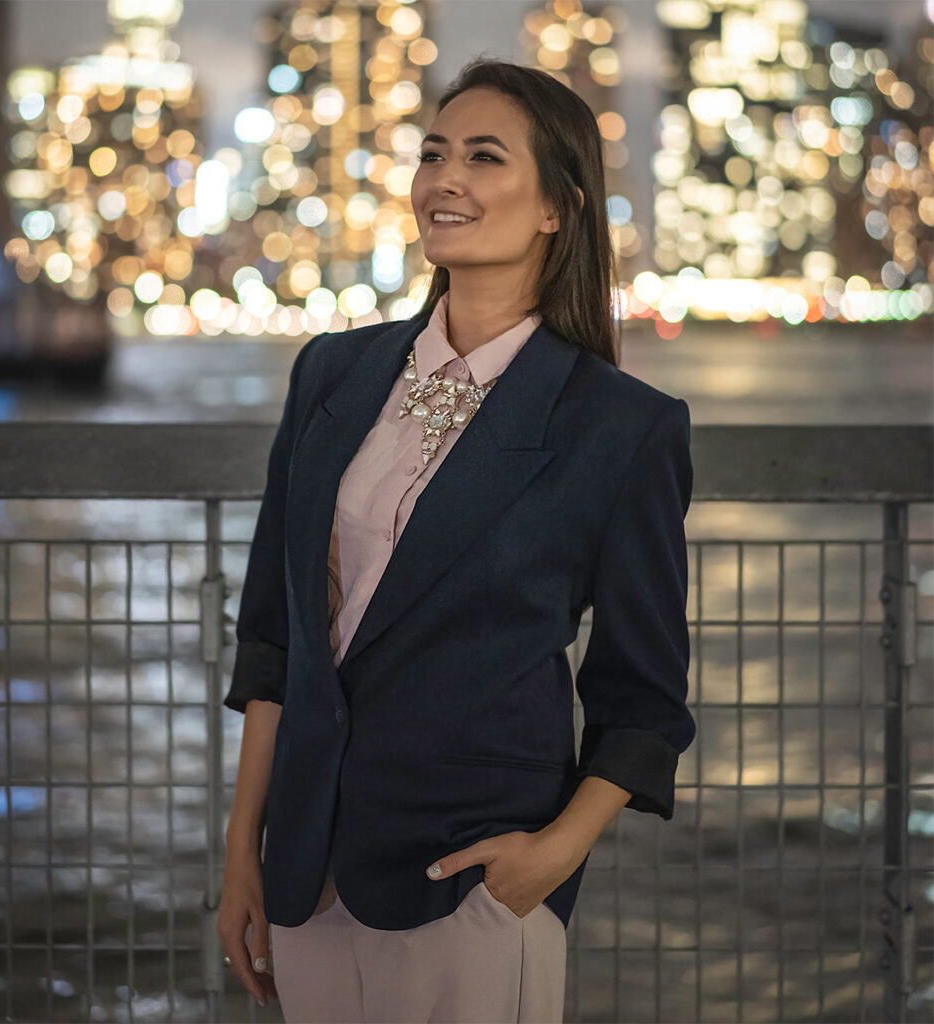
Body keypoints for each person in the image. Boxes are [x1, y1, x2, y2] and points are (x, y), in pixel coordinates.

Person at [216, 58, 696, 1023]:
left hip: (473, 877)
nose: (447, 178)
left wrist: (552, 856)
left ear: (558, 206)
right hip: (306, 869)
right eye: (434, 153)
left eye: (484, 157)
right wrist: (242, 856)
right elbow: (274, 640)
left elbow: (642, 697)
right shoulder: (331, 372)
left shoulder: (619, 425)